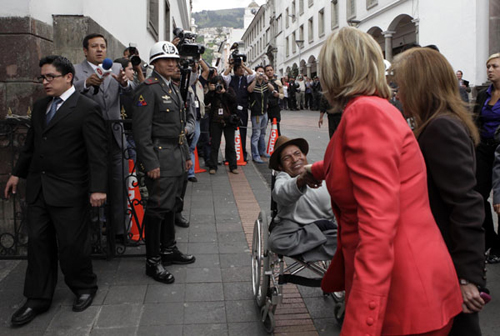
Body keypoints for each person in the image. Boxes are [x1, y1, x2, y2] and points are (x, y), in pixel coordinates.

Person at [307, 27, 462, 335]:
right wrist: (314, 170)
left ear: (333, 72)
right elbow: (357, 164)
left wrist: (360, 324)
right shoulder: (373, 108)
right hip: (409, 279)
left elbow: (378, 226)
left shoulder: (365, 113)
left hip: (402, 292)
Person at [5, 55, 107, 326]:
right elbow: (31, 146)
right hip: (39, 188)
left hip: (70, 189)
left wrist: (98, 188)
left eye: (50, 77)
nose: (45, 82)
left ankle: (84, 287)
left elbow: (98, 153)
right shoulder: (40, 107)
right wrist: (17, 173)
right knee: (38, 244)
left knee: (73, 244)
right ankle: (37, 298)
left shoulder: (86, 108)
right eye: (42, 77)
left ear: (68, 77)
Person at [392, 47, 487, 336]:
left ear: (420, 85)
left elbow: (466, 204)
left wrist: (468, 277)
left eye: (401, 85)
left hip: (448, 262)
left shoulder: (441, 127)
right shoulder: (436, 123)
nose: (397, 93)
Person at [132, 41, 196, 284]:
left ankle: (169, 250)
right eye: (166, 60)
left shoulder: (170, 87)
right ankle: (153, 260)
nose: (172, 64)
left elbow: (178, 126)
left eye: (175, 60)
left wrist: (187, 156)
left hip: (176, 156)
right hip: (159, 157)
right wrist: (150, 163)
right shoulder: (148, 88)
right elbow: (141, 132)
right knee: (158, 209)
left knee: (171, 206)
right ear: (154, 63)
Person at [74, 33, 134, 245]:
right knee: (94, 185)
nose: (99, 50)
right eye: (94, 46)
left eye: (102, 46)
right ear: (85, 50)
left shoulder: (116, 68)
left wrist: (125, 84)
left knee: (119, 184)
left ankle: (120, 231)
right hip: (90, 138)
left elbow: (132, 94)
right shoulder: (76, 71)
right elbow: (69, 95)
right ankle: (95, 233)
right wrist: (84, 84)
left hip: (116, 136)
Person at [268, 136, 336, 262]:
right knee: (276, 242)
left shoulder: (322, 172)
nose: (294, 160)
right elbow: (280, 194)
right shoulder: (284, 178)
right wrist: (300, 180)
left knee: (356, 237)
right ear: (281, 167)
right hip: (294, 228)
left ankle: (307, 250)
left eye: (297, 153)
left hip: (327, 227)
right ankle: (322, 248)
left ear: (304, 156)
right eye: (287, 158)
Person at [473, 53, 500, 264]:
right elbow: (475, 120)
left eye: (494, 66)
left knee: (499, 202)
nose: (490, 70)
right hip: (484, 149)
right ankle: (491, 240)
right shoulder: (483, 94)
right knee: (479, 196)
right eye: (488, 66)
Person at [204, 75, 239, 175]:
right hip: (215, 121)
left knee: (230, 145)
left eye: (221, 83)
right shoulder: (213, 93)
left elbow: (234, 100)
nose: (219, 86)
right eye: (217, 84)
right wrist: (211, 91)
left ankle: (233, 166)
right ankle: (213, 166)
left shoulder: (229, 90)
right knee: (214, 145)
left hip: (228, 121)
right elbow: (206, 101)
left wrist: (225, 93)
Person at [223, 60, 256, 161]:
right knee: (230, 134)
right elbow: (224, 76)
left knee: (242, 132)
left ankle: (242, 154)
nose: (242, 70)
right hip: (231, 110)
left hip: (243, 110)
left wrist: (244, 66)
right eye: (239, 68)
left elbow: (253, 74)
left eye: (242, 68)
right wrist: (231, 65)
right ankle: (229, 156)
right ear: (235, 70)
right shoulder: (231, 79)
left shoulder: (246, 79)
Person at [248, 66, 272, 163]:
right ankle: (255, 155)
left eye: (262, 72)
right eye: (259, 72)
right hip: (256, 113)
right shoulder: (253, 82)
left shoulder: (265, 84)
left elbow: (272, 88)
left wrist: (267, 81)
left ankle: (262, 151)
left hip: (264, 112)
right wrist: (255, 79)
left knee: (262, 133)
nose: (261, 74)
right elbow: (249, 90)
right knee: (256, 134)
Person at [265, 64, 284, 135]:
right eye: (267, 71)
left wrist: (278, 95)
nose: (269, 72)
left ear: (273, 71)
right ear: (265, 72)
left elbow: (282, 95)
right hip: (265, 108)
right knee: (263, 128)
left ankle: (278, 144)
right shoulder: (263, 82)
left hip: (275, 107)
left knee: (276, 129)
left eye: (271, 70)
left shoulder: (278, 82)